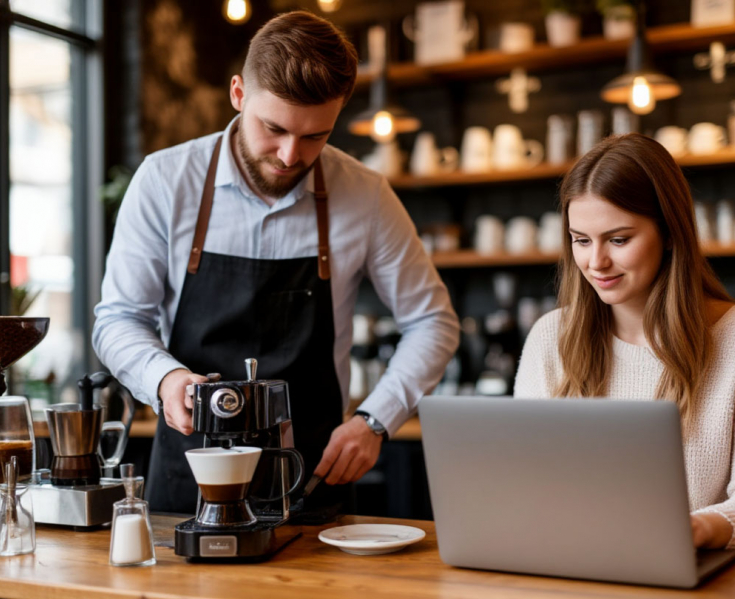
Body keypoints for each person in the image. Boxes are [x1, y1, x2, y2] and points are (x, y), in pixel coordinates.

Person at [93, 11, 460, 515]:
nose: (291, 155)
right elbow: (117, 319)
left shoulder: (365, 195)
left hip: (312, 480)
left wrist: (376, 420)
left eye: (316, 136)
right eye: (275, 128)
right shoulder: (165, 181)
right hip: (189, 477)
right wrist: (164, 379)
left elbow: (433, 323)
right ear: (239, 94)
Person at [514, 133, 735, 549]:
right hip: (567, 565)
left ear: (668, 232)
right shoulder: (549, 338)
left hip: (690, 580)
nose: (596, 262)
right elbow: (521, 481)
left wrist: (696, 529)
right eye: (581, 240)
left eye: (619, 239)